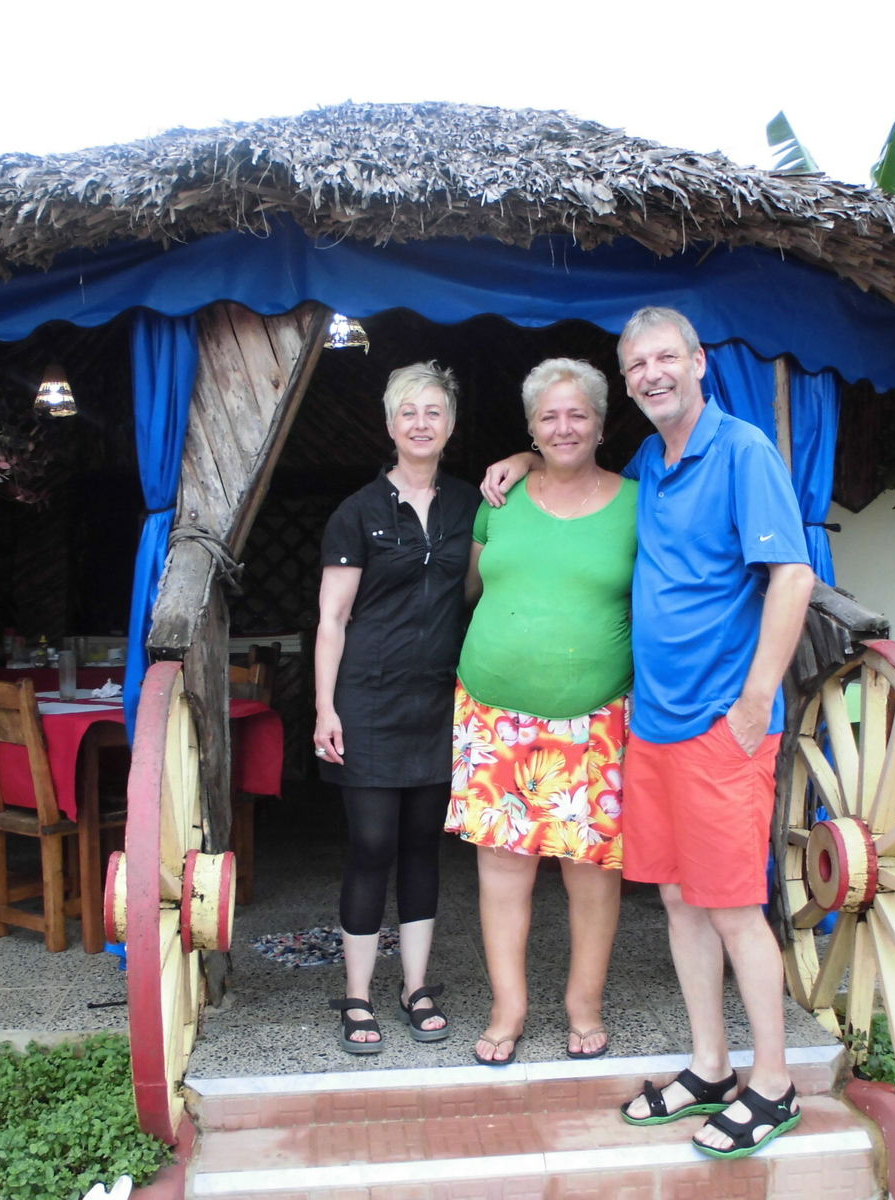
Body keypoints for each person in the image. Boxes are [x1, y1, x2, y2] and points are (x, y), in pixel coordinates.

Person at [483, 308, 815, 1159]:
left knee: (733, 906)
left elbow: (792, 575)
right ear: (627, 381)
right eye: (638, 364)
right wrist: (525, 458)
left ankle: (773, 1082)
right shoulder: (652, 464)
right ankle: (709, 1066)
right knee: (677, 898)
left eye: (666, 357)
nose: (653, 373)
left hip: (720, 721)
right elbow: (574, 463)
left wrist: (755, 702)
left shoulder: (742, 451)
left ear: (698, 361)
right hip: (654, 723)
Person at [447, 358, 638, 1067]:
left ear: (600, 424)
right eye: (548, 416)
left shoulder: (637, 503)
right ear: (531, 427)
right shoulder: (498, 502)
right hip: (492, 714)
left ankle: (584, 1005)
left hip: (595, 717)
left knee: (592, 871)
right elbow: (469, 588)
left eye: (577, 414)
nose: (563, 427)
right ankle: (509, 1008)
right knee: (502, 871)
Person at [314, 360, 480, 1054]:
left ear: (451, 424)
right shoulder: (357, 512)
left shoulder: (472, 505)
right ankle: (356, 994)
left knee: (421, 847)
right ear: (389, 424)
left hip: (438, 698)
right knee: (372, 845)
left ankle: (415, 987)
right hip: (368, 699)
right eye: (408, 411)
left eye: (433, 411)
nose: (421, 423)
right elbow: (333, 619)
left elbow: (475, 592)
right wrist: (325, 707)